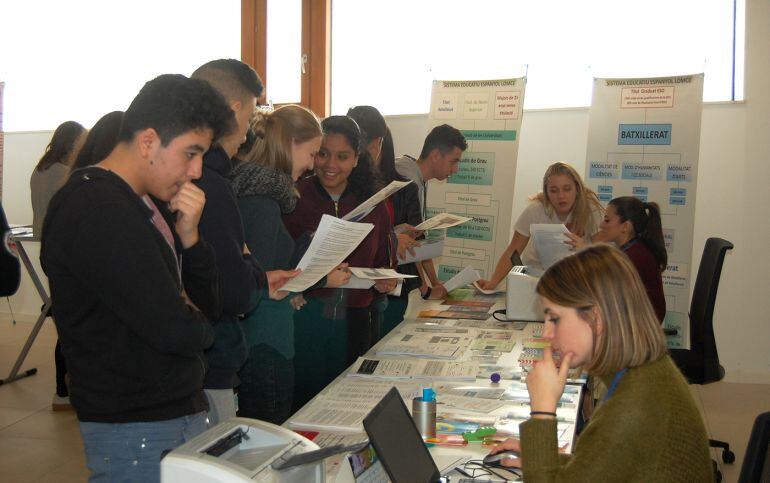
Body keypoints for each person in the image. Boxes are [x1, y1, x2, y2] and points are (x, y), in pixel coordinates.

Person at [40, 74, 234, 483]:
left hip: (171, 414)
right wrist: (188, 315)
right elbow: (175, 330)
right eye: (191, 153)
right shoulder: (95, 206)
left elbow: (213, 307)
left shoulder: (146, 201)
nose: (197, 171)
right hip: (136, 429)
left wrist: (191, 238)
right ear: (148, 142)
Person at [488, 244, 712, 481]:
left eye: (554, 318)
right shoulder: (644, 371)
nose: (546, 334)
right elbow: (602, 466)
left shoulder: (634, 406)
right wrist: (538, 455)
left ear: (595, 319)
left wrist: (542, 411)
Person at [191, 59, 298, 426]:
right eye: (252, 111)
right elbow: (237, 291)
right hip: (209, 358)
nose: (249, 131)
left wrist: (253, 273)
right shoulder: (212, 183)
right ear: (235, 110)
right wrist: (251, 269)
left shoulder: (215, 178)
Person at [230, 105, 350, 424]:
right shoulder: (262, 202)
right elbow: (271, 282)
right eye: (312, 153)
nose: (312, 165)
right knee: (271, 431)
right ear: (290, 144)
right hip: (264, 341)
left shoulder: (259, 194)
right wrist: (324, 278)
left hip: (264, 339)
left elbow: (266, 262)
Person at [284, 115, 396, 412]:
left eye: (342, 156)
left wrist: (386, 281)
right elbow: (277, 261)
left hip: (358, 320)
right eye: (322, 153)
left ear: (357, 159)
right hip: (308, 319)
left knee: (351, 406)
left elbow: (385, 261)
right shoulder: (294, 197)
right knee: (306, 404)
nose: (330, 164)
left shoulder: (374, 203)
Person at [347, 106, 422, 339]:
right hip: (351, 298)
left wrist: (392, 234)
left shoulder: (378, 186)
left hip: (377, 291)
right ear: (378, 142)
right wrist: (391, 239)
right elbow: (356, 237)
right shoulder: (360, 188)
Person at [30, 120, 86, 411]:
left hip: (48, 251)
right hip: (65, 252)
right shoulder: (64, 174)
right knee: (71, 324)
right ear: (72, 142)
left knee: (66, 320)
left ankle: (64, 391)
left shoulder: (39, 171)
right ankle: (63, 391)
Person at [477, 161, 604, 290]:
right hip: (536, 277)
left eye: (567, 189)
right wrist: (493, 282)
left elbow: (603, 255)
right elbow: (513, 250)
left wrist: (585, 248)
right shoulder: (536, 210)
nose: (561, 196)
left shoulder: (591, 210)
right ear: (546, 193)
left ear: (577, 189)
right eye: (554, 191)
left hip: (576, 278)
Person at [395, 124, 468, 300]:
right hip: (394, 285)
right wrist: (425, 290)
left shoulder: (414, 175)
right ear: (435, 155)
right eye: (454, 161)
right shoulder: (408, 182)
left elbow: (418, 238)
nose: (456, 169)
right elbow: (411, 246)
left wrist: (435, 283)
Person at [568, 196, 667, 322]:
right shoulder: (632, 250)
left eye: (607, 220)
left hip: (635, 332)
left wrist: (586, 252)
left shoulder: (634, 256)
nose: (601, 225)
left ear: (625, 226)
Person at [31, 121, 86, 237]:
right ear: (73, 145)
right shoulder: (64, 173)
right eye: (83, 143)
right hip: (60, 236)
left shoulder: (39, 170)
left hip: (41, 233)